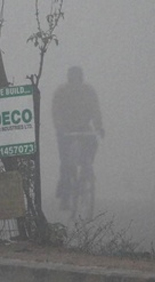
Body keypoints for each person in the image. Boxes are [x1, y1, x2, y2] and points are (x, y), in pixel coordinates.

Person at [52, 66, 104, 211]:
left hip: (84, 128)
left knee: (93, 144)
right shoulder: (61, 92)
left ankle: (86, 169)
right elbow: (56, 111)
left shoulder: (89, 92)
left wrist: (99, 127)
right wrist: (59, 127)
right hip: (66, 130)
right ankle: (64, 193)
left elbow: (95, 111)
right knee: (65, 162)